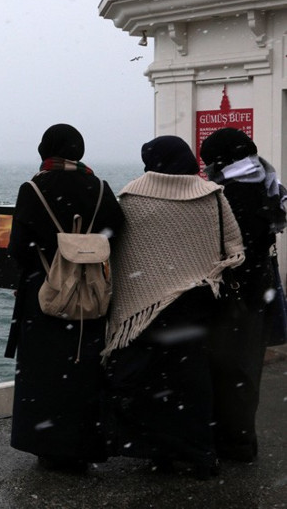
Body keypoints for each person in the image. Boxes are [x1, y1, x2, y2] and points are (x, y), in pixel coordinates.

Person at [102, 135, 245, 479]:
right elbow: (232, 248)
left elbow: (120, 251)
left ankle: (158, 452)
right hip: (194, 305)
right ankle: (200, 453)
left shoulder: (132, 197)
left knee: (147, 383)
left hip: (145, 309)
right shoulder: (212, 197)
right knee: (192, 382)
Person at [4, 123, 124, 470]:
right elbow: (116, 231)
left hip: (45, 294)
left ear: (46, 149)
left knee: (44, 375)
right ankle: (84, 446)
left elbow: (18, 249)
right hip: (92, 294)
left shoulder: (33, 188)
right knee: (85, 370)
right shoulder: (100, 187)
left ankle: (48, 448)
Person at [200, 128, 287, 462]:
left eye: (210, 161)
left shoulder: (232, 193)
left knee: (229, 371)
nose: (208, 169)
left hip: (236, 294)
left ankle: (233, 445)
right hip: (259, 289)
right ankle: (241, 442)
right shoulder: (266, 182)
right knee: (246, 372)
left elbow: (227, 247)